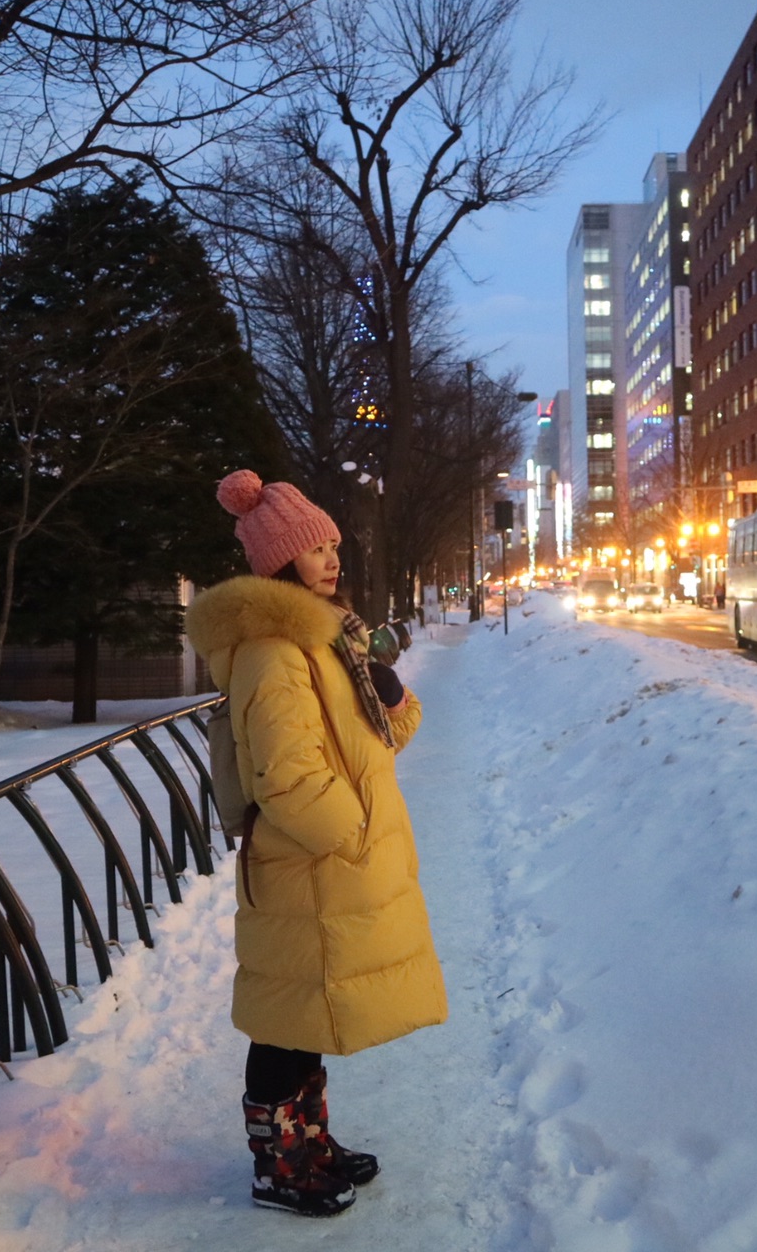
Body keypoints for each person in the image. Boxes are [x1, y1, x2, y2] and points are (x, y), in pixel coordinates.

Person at [183, 470, 446, 1218]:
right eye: (315, 549)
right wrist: (353, 834)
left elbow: (381, 734)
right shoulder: (274, 651)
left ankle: (308, 1143)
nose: (333, 559)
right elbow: (288, 777)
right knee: (286, 1019)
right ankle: (277, 1166)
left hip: (323, 864)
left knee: (309, 1011)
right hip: (307, 864)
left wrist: (391, 693)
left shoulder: (329, 638)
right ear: (276, 562)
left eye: (333, 544)